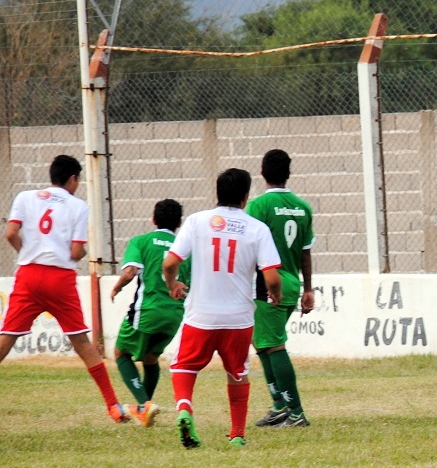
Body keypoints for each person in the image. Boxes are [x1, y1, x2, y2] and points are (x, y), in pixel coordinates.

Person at [1, 155, 131, 422]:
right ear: (73, 179)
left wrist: (26, 254)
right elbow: (75, 251)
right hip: (59, 279)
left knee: (8, 337)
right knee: (82, 342)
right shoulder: (77, 206)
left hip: (28, 275)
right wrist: (80, 253)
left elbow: (11, 233)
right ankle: (113, 406)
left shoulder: (25, 197)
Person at [163, 168, 283, 449]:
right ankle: (237, 434)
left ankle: (184, 408)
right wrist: (275, 294)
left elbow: (169, 264)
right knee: (238, 373)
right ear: (245, 196)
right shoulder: (257, 228)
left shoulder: (196, 221)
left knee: (184, 366)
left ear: (217, 192)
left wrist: (172, 284)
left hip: (201, 315)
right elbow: (272, 277)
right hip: (238, 318)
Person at [246, 149, 315, 428]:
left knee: (274, 345)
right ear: (288, 173)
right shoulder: (303, 207)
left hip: (267, 284)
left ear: (262, 173)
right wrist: (308, 289)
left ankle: (295, 412)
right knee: (262, 343)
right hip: (291, 283)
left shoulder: (258, 206)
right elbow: (305, 252)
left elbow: (247, 248)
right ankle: (279, 406)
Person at [109, 199, 191, 427]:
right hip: (174, 314)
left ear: (153, 219)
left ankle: (144, 404)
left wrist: (116, 288)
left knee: (121, 353)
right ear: (179, 223)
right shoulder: (185, 249)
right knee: (150, 358)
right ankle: (144, 409)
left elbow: (130, 272)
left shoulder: (142, 241)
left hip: (147, 311)